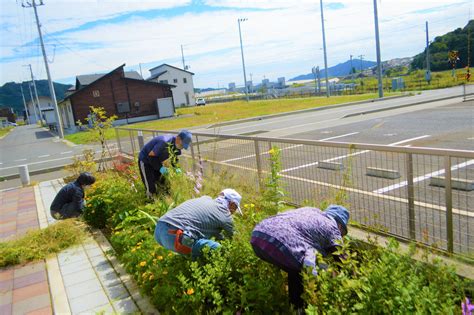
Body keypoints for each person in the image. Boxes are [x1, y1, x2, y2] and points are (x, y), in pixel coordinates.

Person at [250, 205, 349, 310]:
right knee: (302, 268)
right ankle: (299, 309)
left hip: (258, 235)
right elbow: (344, 261)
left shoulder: (311, 210)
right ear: (339, 226)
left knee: (296, 263)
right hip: (280, 243)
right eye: (342, 234)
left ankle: (293, 306)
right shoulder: (332, 228)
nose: (341, 236)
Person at [154, 189, 242, 258]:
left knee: (197, 237)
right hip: (174, 237)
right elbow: (235, 238)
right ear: (231, 203)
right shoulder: (225, 214)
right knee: (220, 249)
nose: (234, 212)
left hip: (158, 230)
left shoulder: (205, 199)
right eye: (235, 207)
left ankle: (185, 262)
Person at [138, 130, 192, 197]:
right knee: (151, 186)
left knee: (164, 184)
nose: (182, 147)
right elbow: (151, 156)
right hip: (146, 161)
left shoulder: (177, 147)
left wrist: (177, 169)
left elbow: (174, 159)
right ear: (178, 138)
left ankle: (164, 201)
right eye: (182, 145)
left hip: (157, 161)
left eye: (183, 146)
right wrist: (161, 168)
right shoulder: (164, 142)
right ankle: (150, 202)